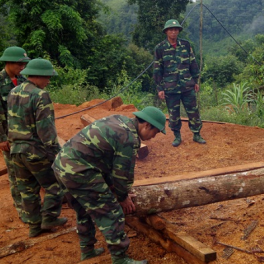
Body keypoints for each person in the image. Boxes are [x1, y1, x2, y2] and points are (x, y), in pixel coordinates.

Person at [52, 107, 166, 264]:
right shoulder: (129, 138)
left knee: (84, 210)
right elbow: (122, 174)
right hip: (80, 171)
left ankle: (88, 251)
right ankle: (120, 259)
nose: (154, 136)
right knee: (112, 212)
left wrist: (112, 189)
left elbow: (103, 160)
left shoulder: (119, 120)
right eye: (156, 132)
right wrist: (122, 197)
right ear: (147, 125)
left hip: (62, 165)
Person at [7, 58, 67, 237]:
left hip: (16, 151)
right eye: (47, 77)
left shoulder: (13, 92)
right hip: (35, 151)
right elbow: (46, 129)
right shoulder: (41, 95)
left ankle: (34, 227)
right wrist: (56, 153)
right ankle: (49, 218)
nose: (48, 81)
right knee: (56, 185)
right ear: (39, 75)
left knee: (27, 190)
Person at [0, 46, 30, 221]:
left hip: (25, 134)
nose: (22, 67)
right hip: (9, 136)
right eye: (19, 64)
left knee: (26, 169)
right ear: (8, 63)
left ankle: (30, 204)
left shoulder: (23, 79)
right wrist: (1, 138)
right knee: (14, 172)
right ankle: (21, 208)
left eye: (23, 63)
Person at [153, 19, 206, 147]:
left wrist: (196, 80)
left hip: (188, 85)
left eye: (176, 29)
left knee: (193, 111)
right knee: (174, 115)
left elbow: (193, 62)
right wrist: (160, 88)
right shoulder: (160, 48)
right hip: (170, 88)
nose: (173, 32)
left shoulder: (186, 45)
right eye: (171, 29)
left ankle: (196, 134)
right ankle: (177, 136)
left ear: (178, 31)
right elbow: (157, 69)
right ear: (166, 31)